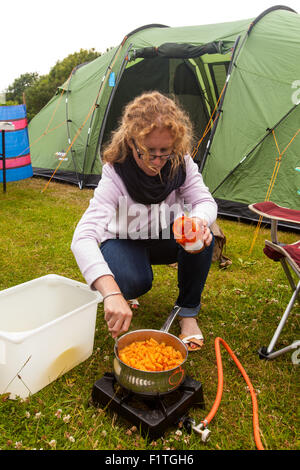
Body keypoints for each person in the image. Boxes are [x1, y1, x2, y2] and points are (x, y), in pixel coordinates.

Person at [71, 91, 217, 350]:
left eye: (165, 152)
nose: (157, 161)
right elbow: (83, 237)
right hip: (123, 241)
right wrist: (112, 293)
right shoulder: (115, 172)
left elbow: (204, 201)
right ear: (131, 141)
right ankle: (127, 290)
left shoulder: (180, 163)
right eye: (149, 152)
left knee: (201, 238)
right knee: (133, 280)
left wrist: (198, 221)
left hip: (164, 237)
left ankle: (188, 314)